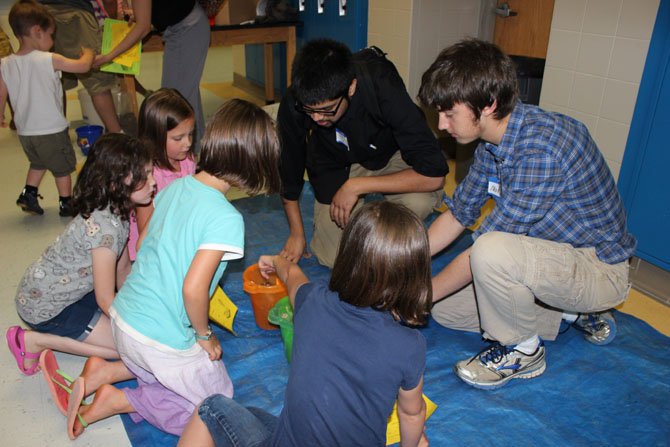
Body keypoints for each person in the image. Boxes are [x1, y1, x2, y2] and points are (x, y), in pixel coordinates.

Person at [418, 39, 637, 390]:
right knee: (446, 311)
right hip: (552, 260)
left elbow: (482, 250)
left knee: (489, 251)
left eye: (449, 113)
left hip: (597, 270)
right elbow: (459, 213)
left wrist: (417, 296)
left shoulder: (541, 150)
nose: (442, 125)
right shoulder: (494, 142)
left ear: (487, 105)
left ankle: (523, 351)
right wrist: (403, 263)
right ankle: (569, 312)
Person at [64, 99, 282, 440]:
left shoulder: (176, 186)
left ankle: (103, 372)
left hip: (123, 321)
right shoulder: (227, 219)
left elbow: (146, 239)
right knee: (216, 405)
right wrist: (204, 335)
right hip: (157, 339)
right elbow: (194, 290)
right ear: (254, 164)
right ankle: (118, 399)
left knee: (168, 373)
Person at [178, 201, 432, 447]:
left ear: (347, 257)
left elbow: (292, 276)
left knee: (211, 407)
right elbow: (411, 414)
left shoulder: (313, 301)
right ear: (416, 273)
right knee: (255, 415)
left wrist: (275, 261)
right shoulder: (410, 346)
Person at [277, 38, 449, 267]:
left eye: (327, 110)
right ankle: (367, 217)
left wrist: (356, 186)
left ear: (351, 87)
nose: (317, 118)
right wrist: (297, 234)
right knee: (335, 258)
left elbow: (435, 175)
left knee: (417, 202)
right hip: (336, 158)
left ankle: (375, 214)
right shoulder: (297, 102)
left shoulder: (380, 82)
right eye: (310, 111)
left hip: (391, 153)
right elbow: (290, 170)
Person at [5, 133, 154, 378]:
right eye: (144, 175)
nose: (153, 181)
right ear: (116, 183)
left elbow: (123, 270)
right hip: (47, 307)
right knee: (128, 350)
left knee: (136, 339)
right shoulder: (105, 229)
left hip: (64, 292)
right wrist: (137, 330)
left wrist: (143, 310)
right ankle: (35, 341)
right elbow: (106, 299)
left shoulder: (117, 209)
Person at [0, 0, 95, 216]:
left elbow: (1, 95)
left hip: (26, 133)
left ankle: (29, 193)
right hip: (50, 129)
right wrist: (87, 53)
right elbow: (83, 66)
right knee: (63, 167)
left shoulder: (5, 64)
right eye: (51, 35)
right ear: (37, 31)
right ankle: (66, 202)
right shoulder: (49, 59)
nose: (52, 42)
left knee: (38, 161)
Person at [93, 0, 210, 148]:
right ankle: (196, 154)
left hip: (188, 29)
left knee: (174, 105)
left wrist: (108, 56)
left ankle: (188, 158)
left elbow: (143, 28)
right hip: (182, 29)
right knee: (183, 98)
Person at [128, 88, 196, 260]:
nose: (187, 143)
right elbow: (146, 234)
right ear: (155, 137)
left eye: (190, 134)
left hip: (175, 238)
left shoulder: (187, 160)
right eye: (178, 138)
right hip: (148, 252)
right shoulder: (149, 178)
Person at [37, 0, 123, 133]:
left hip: (39, 13)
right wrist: (113, 20)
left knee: (55, 80)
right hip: (74, 12)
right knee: (98, 82)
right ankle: (117, 136)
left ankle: (59, 132)